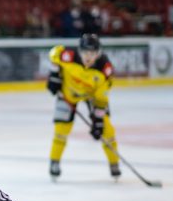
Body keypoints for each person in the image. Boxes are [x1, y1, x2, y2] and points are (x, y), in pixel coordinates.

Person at [46, 33, 120, 180]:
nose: (88, 57)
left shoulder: (105, 69)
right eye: (85, 52)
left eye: (92, 53)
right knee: (61, 129)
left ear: (99, 53)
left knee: (107, 129)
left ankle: (114, 163)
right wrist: (54, 76)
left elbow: (101, 98)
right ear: (79, 50)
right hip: (67, 95)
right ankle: (54, 162)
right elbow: (53, 54)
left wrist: (98, 121)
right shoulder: (67, 55)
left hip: (92, 97)